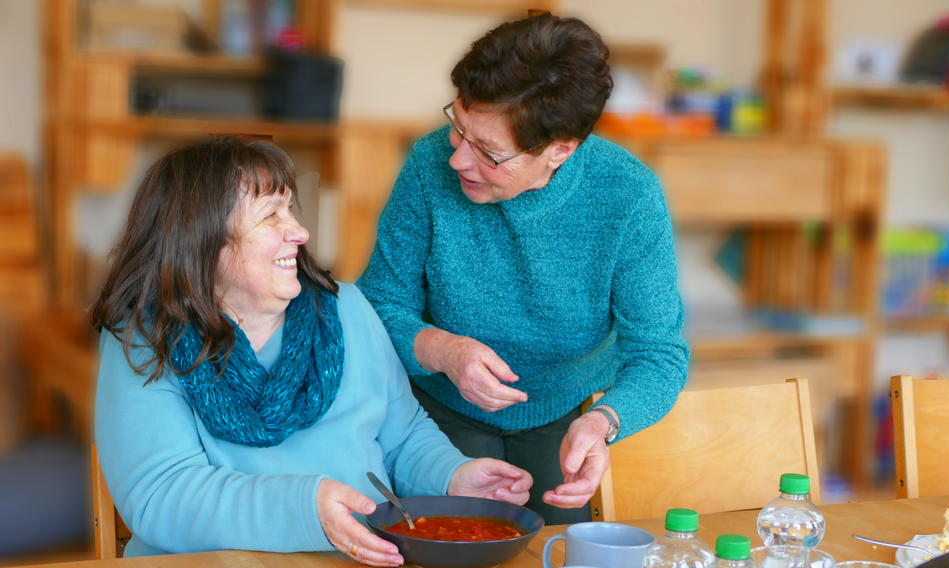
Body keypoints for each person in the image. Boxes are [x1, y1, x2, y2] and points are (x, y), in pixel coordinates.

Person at [90, 137, 532, 564]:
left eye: (291, 210)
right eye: (270, 216)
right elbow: (161, 496)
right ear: (203, 239)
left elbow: (402, 436)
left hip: (363, 558)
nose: (299, 232)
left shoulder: (346, 307)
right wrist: (307, 508)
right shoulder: (146, 338)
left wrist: (451, 476)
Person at [357, 13, 688, 526]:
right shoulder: (427, 166)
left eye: (488, 152)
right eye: (458, 129)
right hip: (435, 410)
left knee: (557, 550)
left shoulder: (628, 195)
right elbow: (377, 306)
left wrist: (604, 421)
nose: (458, 161)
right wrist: (443, 351)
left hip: (569, 412)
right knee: (443, 545)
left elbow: (658, 353)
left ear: (560, 149)